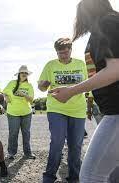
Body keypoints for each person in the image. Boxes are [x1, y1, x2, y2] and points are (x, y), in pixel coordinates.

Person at [50, 0, 119, 182]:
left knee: (91, 175)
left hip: (117, 111)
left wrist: (71, 91)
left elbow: (115, 69)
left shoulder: (106, 23)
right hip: (112, 109)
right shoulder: (111, 21)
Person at [38, 38, 88, 183]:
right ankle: (49, 176)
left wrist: (90, 102)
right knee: (57, 142)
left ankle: (74, 177)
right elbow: (41, 87)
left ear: (71, 50)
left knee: (75, 145)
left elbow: (89, 85)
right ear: (56, 52)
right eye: (61, 53)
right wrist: (43, 85)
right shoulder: (50, 65)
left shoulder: (80, 64)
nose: (64, 56)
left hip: (78, 109)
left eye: (66, 52)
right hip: (56, 108)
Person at [3, 65, 35, 160]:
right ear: (19, 74)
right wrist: (7, 97)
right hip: (13, 113)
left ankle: (28, 153)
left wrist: (24, 94)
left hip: (26, 113)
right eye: (22, 73)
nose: (24, 74)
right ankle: (11, 153)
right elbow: (4, 92)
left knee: (26, 133)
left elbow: (31, 100)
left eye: (26, 73)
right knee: (13, 133)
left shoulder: (29, 86)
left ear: (27, 75)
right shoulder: (12, 83)